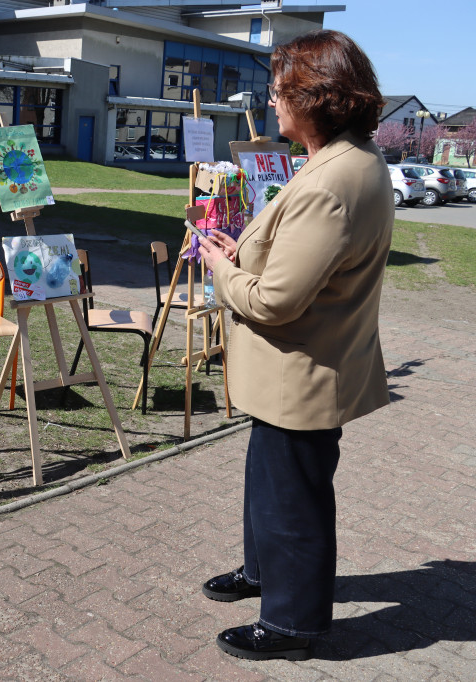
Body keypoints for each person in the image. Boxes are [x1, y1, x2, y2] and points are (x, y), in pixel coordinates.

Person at [196, 30, 392, 661]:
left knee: (293, 505)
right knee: (270, 486)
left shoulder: (331, 181)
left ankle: (291, 625)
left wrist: (224, 271)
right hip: (296, 372)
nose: (272, 101)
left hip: (301, 375)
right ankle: (263, 575)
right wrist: (243, 253)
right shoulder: (348, 159)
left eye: (281, 91)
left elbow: (276, 301)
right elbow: (297, 263)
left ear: (316, 97)